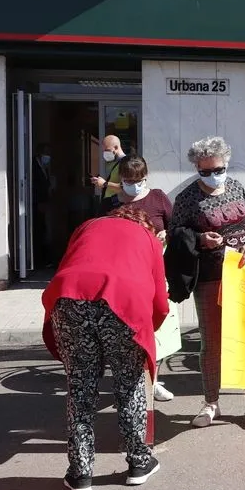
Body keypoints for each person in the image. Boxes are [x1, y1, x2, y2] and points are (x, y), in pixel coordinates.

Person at [42, 206, 169, 490]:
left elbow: (68, 265)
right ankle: (138, 463)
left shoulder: (87, 226)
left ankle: (80, 474)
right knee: (129, 384)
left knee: (80, 389)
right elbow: (160, 301)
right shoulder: (147, 236)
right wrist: (150, 329)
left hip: (69, 299)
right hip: (123, 305)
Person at [170, 136, 245, 429]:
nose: (213, 176)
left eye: (218, 169)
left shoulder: (236, 186)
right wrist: (200, 239)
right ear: (196, 168)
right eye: (205, 171)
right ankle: (211, 402)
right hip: (210, 277)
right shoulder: (187, 198)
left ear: (226, 163)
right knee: (211, 344)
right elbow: (175, 234)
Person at [100, 155, 175, 402]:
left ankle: (154, 380)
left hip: (155, 273)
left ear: (146, 177)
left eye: (139, 180)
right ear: (120, 180)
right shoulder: (111, 205)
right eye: (129, 181)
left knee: (158, 330)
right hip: (125, 278)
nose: (134, 185)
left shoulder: (158, 198)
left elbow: (177, 227)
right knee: (128, 331)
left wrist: (167, 234)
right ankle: (130, 382)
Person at [32, 142, 56, 266]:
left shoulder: (43, 167)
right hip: (37, 204)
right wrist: (40, 202)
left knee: (43, 229)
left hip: (43, 203)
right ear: (40, 153)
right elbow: (35, 186)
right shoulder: (33, 166)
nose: (48, 156)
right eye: (46, 153)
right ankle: (38, 260)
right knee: (38, 230)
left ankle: (42, 259)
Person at [90, 135, 127, 200]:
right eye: (104, 151)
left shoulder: (126, 163)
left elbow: (125, 187)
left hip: (117, 203)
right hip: (107, 201)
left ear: (116, 147)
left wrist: (104, 183)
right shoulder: (110, 162)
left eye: (107, 150)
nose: (105, 153)